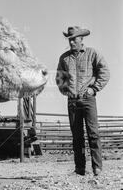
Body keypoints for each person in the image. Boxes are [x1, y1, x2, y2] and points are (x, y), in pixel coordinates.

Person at [55, 26, 110, 176]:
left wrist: (94, 89)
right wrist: (66, 91)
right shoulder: (64, 58)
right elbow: (60, 78)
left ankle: (97, 168)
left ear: (81, 39)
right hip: (72, 101)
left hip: (88, 100)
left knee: (93, 133)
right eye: (70, 39)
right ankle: (80, 169)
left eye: (74, 39)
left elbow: (104, 72)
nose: (72, 42)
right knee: (77, 136)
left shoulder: (93, 53)